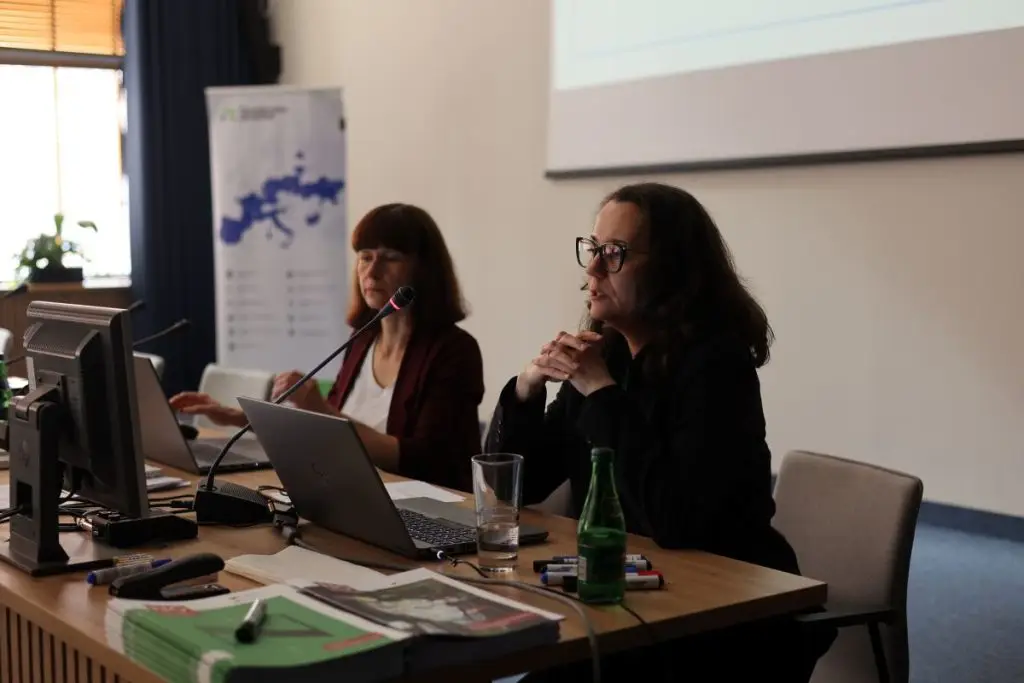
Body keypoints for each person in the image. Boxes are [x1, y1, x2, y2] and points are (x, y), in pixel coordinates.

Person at [485, 183, 830, 681]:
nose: (594, 268)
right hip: (630, 591)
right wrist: (524, 389)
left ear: (674, 269)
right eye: (593, 248)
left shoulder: (715, 365)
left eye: (615, 253)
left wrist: (601, 393)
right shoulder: (609, 356)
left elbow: (675, 519)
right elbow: (515, 488)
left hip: (726, 617)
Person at [170, 203, 485, 491]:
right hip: (354, 494)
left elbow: (422, 461)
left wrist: (318, 407)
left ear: (423, 270)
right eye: (364, 257)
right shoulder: (362, 339)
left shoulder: (454, 351)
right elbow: (322, 429)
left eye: (390, 258)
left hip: (427, 508)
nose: (372, 272)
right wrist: (233, 416)